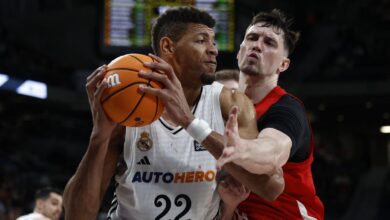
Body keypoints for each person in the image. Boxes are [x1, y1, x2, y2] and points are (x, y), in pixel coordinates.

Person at [63, 6, 284, 220]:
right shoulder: (128, 103)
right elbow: (77, 216)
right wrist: (98, 138)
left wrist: (190, 122)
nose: (214, 49)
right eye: (201, 40)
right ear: (168, 46)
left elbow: (271, 187)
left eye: (213, 42)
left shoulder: (231, 103)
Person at [217, 9, 324, 219]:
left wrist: (242, 148)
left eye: (269, 43)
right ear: (240, 52)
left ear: (283, 65)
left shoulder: (287, 109)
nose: (257, 45)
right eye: (252, 38)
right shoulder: (221, 104)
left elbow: (273, 151)